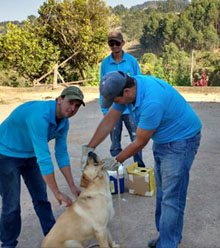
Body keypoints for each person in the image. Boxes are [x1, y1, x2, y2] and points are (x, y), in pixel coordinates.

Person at [82, 71, 202, 248]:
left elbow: (139, 142)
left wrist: (115, 161)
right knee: (162, 193)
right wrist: (89, 148)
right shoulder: (130, 88)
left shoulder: (151, 102)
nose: (116, 105)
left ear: (127, 92)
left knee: (171, 198)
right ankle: (167, 237)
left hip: (181, 142)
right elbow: (110, 120)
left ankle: (168, 243)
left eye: (115, 100)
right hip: (163, 139)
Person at [0, 86, 85, 248]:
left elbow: (61, 154)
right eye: (70, 103)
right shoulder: (39, 116)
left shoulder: (63, 123)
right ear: (60, 99)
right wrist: (57, 192)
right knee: (12, 205)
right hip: (5, 153)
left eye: (77, 106)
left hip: (28, 153)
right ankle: (8, 244)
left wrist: (72, 186)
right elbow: (44, 158)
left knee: (41, 199)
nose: (72, 109)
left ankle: (52, 237)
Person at [100, 31, 145, 167]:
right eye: (111, 43)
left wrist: (139, 107)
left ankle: (139, 168)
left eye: (117, 42)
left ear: (123, 43)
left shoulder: (131, 61)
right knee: (115, 142)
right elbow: (102, 86)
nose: (114, 46)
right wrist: (104, 110)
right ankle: (117, 170)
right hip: (113, 109)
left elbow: (139, 82)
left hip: (130, 110)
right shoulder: (105, 64)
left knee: (136, 139)